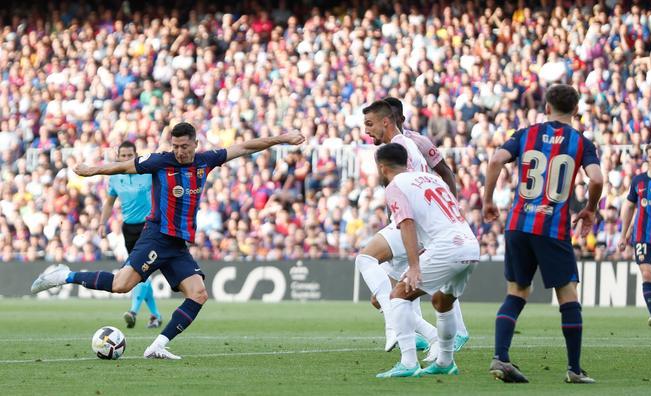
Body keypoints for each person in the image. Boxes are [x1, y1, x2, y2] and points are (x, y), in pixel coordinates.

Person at [31, 122, 305, 359]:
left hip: (178, 245)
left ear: (195, 144)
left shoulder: (205, 161)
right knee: (121, 285)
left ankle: (157, 346)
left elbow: (245, 147)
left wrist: (282, 138)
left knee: (198, 294)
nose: (179, 151)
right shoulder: (161, 161)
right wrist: (94, 170)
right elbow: (127, 165)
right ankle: (64, 276)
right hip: (156, 237)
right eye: (175, 145)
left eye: (184, 146)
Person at [482, 84, 603, 383]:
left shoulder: (527, 134)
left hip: (518, 224)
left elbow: (496, 159)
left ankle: (501, 357)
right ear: (576, 111)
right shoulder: (581, 142)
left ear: (547, 107)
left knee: (517, 292)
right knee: (568, 295)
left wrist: (487, 200)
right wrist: (590, 208)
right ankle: (574, 369)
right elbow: (597, 178)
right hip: (552, 228)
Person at [358, 99, 468, 360]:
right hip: (418, 224)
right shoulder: (400, 146)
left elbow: (424, 180)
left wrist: (441, 212)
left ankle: (402, 332)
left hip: (412, 226)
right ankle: (429, 340)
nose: (366, 130)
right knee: (384, 296)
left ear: (388, 120)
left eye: (370, 124)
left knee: (366, 260)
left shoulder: (407, 145)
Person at [373, 143, 479, 378]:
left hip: (448, 247)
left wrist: (413, 266)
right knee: (442, 302)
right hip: (470, 245)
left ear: (381, 167)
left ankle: (408, 363)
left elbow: (407, 223)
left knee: (398, 295)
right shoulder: (431, 179)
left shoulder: (394, 186)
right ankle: (445, 362)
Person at [99, 140, 162, 329]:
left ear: (136, 156)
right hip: (128, 229)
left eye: (130, 156)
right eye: (123, 156)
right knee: (141, 273)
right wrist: (103, 223)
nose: (126, 159)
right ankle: (155, 315)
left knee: (140, 271)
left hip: (148, 227)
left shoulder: (147, 173)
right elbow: (109, 202)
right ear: (118, 157)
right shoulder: (115, 178)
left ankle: (133, 311)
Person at [618, 139, 651, 330]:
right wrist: (623, 234)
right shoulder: (639, 181)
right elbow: (629, 207)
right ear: (646, 158)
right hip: (643, 235)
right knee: (647, 273)